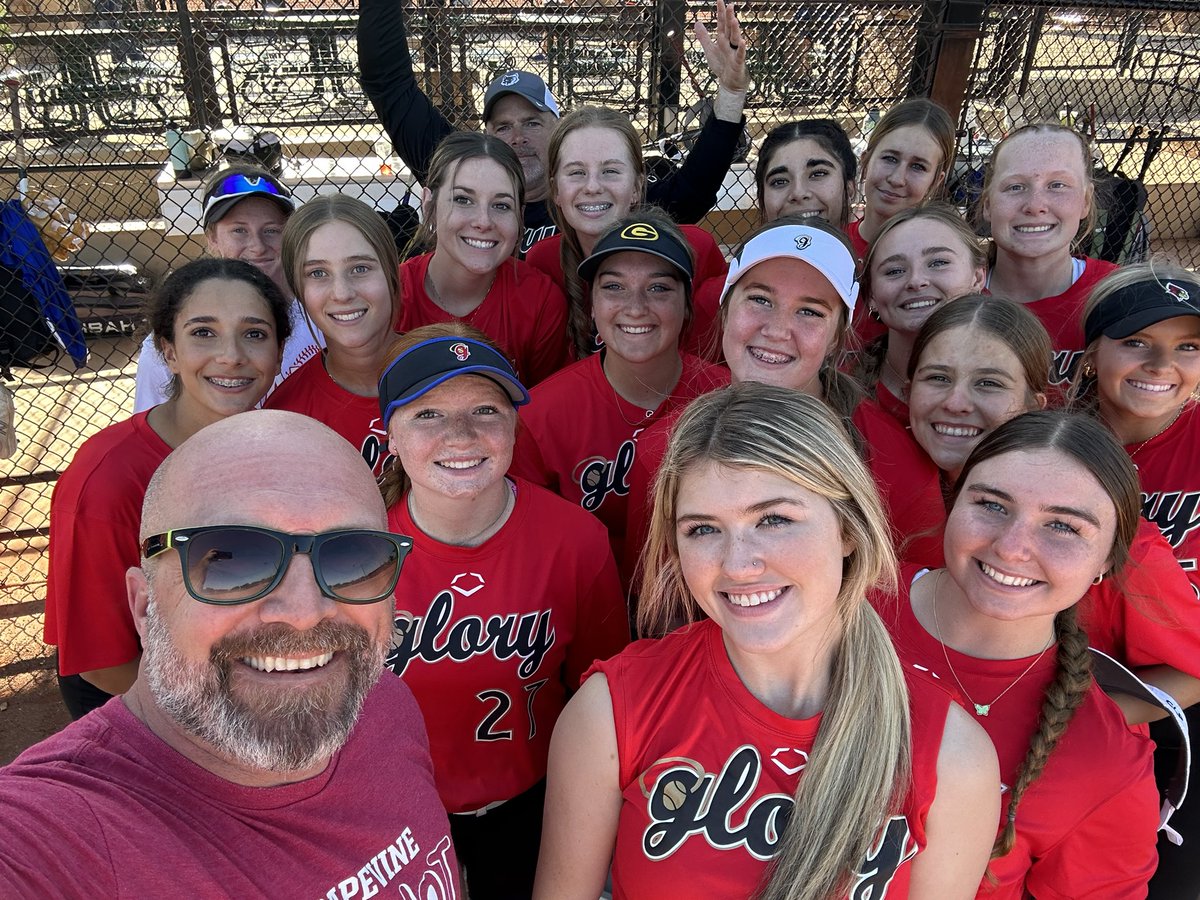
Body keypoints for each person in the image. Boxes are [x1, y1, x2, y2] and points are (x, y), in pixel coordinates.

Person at [535, 383, 1000, 899]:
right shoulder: (613, 711)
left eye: (774, 520)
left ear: (848, 529)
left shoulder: (951, 757)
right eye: (703, 529)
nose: (737, 564)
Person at [3, 411, 460, 897]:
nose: (304, 613)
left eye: (353, 557)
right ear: (143, 605)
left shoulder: (383, 704)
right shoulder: (59, 834)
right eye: (232, 560)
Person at [377, 324, 629, 898]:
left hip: (533, 802)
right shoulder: (358, 545)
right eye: (428, 415)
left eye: (487, 410)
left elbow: (601, 693)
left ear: (516, 422)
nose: (461, 436)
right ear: (389, 434)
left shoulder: (574, 540)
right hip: (396, 810)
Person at [878, 411, 1160, 897]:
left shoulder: (1105, 761)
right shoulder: (836, 604)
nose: (1011, 548)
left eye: (1064, 528)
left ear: (1106, 562)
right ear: (954, 502)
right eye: (991, 504)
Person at [624, 217, 946, 590]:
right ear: (726, 310)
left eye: (810, 311)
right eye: (760, 300)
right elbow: (659, 608)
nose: (777, 330)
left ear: (836, 337)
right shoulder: (661, 450)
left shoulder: (896, 464)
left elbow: (921, 610)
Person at [45, 259, 291, 718]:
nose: (232, 355)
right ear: (169, 351)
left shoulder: (272, 446)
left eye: (255, 333)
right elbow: (105, 664)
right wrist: (222, 720)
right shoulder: (109, 479)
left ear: (278, 352)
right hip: (146, 701)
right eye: (203, 332)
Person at [357, 0, 748, 255]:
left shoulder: (592, 197)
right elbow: (390, 87)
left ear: (557, 130)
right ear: (487, 137)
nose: (517, 137)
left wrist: (729, 97)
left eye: (532, 122)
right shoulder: (465, 178)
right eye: (503, 127)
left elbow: (691, 194)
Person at [1073, 261, 1200, 898]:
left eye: (1188, 347)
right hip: (1082, 669)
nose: (1161, 364)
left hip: (1176, 683)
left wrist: (1089, 720)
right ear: (1092, 354)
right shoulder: (1053, 438)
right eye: (1137, 342)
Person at [511, 213, 729, 568]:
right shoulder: (541, 416)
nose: (635, 307)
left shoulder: (727, 398)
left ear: (686, 305)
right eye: (614, 287)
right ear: (592, 306)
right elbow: (533, 546)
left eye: (659, 288)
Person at [525, 108, 730, 361]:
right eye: (576, 172)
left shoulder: (692, 248)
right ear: (555, 189)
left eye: (610, 171)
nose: (592, 187)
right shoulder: (543, 260)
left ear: (636, 187)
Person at [133, 165, 323, 411]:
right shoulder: (172, 339)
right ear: (212, 238)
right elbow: (153, 431)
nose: (257, 246)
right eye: (239, 231)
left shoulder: (321, 310)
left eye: (272, 230)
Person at [397, 132, 569, 386]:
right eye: (463, 200)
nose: (483, 222)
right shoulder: (393, 294)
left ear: (520, 216)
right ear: (428, 204)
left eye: (501, 206)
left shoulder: (539, 301)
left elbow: (544, 410)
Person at [265, 195, 401, 477]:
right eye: (317, 273)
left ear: (390, 272)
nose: (342, 293)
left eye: (360, 268)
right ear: (297, 289)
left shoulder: (449, 372)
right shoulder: (288, 415)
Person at [978, 122, 1117, 386]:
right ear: (988, 205)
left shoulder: (1117, 295)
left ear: (1086, 201)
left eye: (1057, 185)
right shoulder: (953, 289)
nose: (1035, 206)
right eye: (1015, 187)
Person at [854, 203, 987, 424]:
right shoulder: (843, 400)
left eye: (938, 263)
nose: (916, 281)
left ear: (978, 278)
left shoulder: (1008, 391)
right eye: (894, 270)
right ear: (871, 296)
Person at [848, 98, 956, 262]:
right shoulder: (831, 243)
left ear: (935, 182)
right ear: (866, 161)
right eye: (890, 159)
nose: (897, 179)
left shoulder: (940, 261)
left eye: (918, 167)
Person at [754, 118, 857, 228]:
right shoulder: (748, 246)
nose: (798, 193)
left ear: (849, 189)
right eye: (779, 181)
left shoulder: (873, 244)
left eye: (817, 174)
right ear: (762, 199)